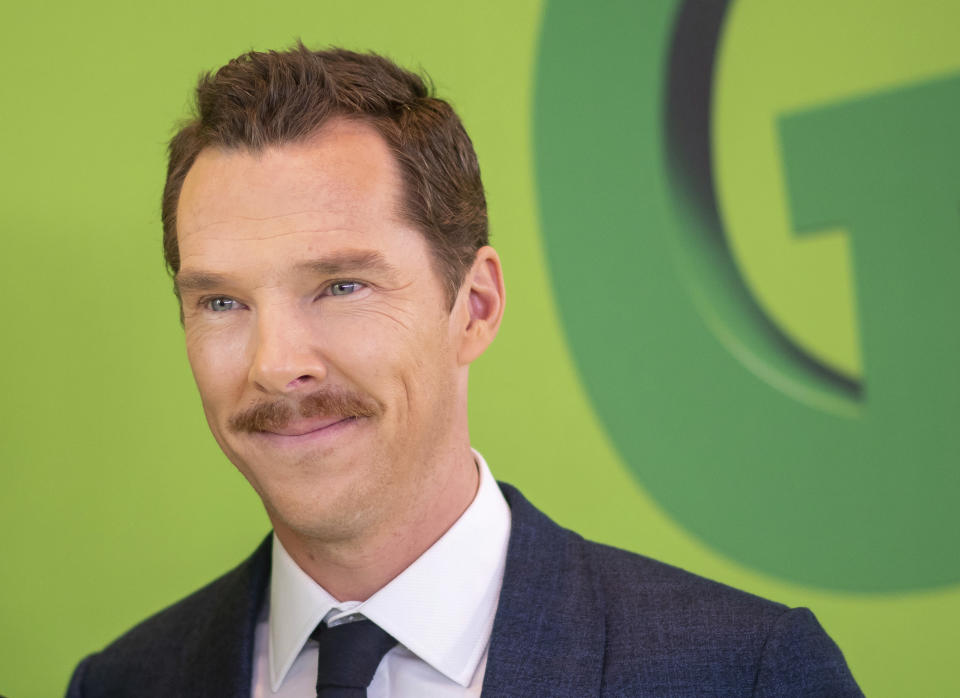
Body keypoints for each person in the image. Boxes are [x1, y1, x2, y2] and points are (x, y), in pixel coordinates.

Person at [66, 44, 863, 697]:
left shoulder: (745, 675)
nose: (277, 365)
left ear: (474, 307)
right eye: (221, 303)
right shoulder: (123, 684)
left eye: (341, 286)